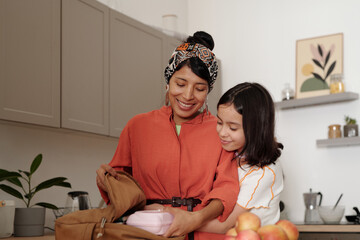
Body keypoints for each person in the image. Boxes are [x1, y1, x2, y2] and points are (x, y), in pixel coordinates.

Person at [96, 31, 239, 240]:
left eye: (199, 88)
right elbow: (120, 187)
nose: (188, 96)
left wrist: (196, 218)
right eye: (180, 84)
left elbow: (227, 187)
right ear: (168, 81)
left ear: (208, 91)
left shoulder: (220, 130)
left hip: (203, 232)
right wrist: (106, 181)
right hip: (147, 231)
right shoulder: (137, 126)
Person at [199, 82, 284, 234]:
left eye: (232, 127)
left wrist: (176, 219)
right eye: (219, 122)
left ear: (255, 129)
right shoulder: (231, 152)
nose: (222, 132)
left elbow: (224, 226)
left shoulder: (263, 173)